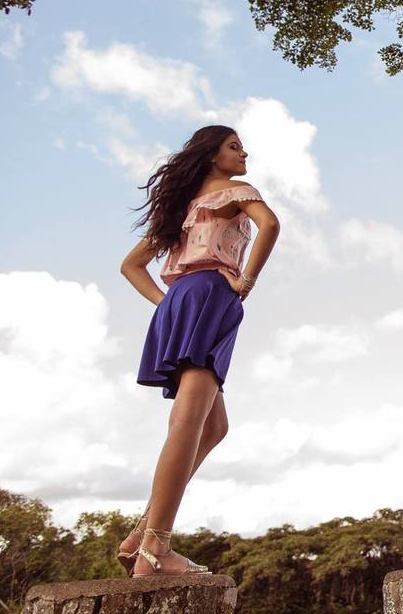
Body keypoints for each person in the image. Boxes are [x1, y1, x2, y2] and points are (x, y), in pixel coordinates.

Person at [116, 125, 281, 577]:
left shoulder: (181, 209)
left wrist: (167, 302)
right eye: (233, 145)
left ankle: (142, 531)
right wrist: (245, 280)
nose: (244, 152)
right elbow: (270, 224)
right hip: (210, 293)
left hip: (180, 301)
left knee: (214, 426)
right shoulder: (235, 191)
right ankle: (155, 549)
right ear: (212, 155)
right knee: (188, 421)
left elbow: (131, 266)